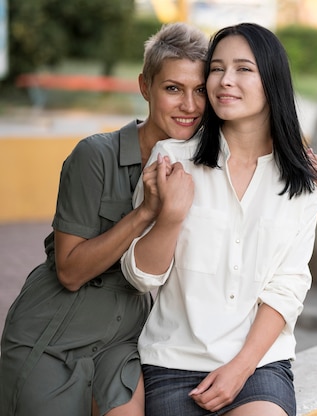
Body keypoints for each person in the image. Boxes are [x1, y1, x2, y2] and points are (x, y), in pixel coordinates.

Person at [0, 23, 210, 416]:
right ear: (145, 87)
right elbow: (70, 271)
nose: (189, 106)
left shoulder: (204, 168)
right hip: (52, 336)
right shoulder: (94, 156)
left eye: (199, 90)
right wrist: (145, 212)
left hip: (122, 339)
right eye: (173, 89)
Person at [121, 23, 317, 416]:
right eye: (216, 68)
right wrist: (168, 217)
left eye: (243, 69)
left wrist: (239, 368)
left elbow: (287, 288)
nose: (225, 81)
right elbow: (140, 278)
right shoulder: (172, 160)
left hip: (259, 366)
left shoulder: (302, 182)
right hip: (174, 362)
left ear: (272, 80)